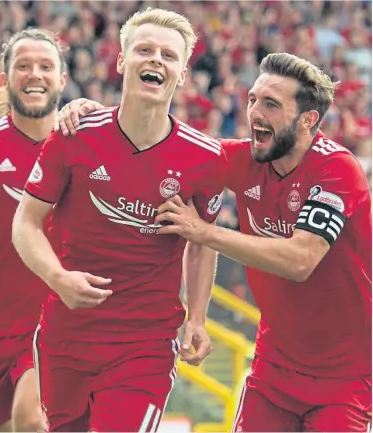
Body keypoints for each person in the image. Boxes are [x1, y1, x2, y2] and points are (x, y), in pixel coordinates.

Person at [56, 53, 372, 432]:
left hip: (346, 376)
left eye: (270, 104)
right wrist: (99, 119)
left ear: (308, 120)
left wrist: (205, 232)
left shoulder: (337, 168)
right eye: (253, 99)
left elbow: (301, 260)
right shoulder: (241, 158)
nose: (254, 111)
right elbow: (165, 149)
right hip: (274, 370)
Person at [12, 8, 227, 433]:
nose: (155, 60)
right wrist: (58, 277)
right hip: (65, 335)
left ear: (182, 74)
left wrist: (197, 318)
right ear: (121, 61)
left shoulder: (206, 158)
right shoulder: (75, 133)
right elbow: (25, 223)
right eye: (144, 50)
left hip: (144, 344)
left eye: (168, 55)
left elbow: (202, 241)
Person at [0, 28, 68, 432]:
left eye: (45, 66)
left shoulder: (81, 148)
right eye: (23, 65)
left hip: (53, 326)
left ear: (62, 79)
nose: (34, 73)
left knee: (32, 420)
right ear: (6, 77)